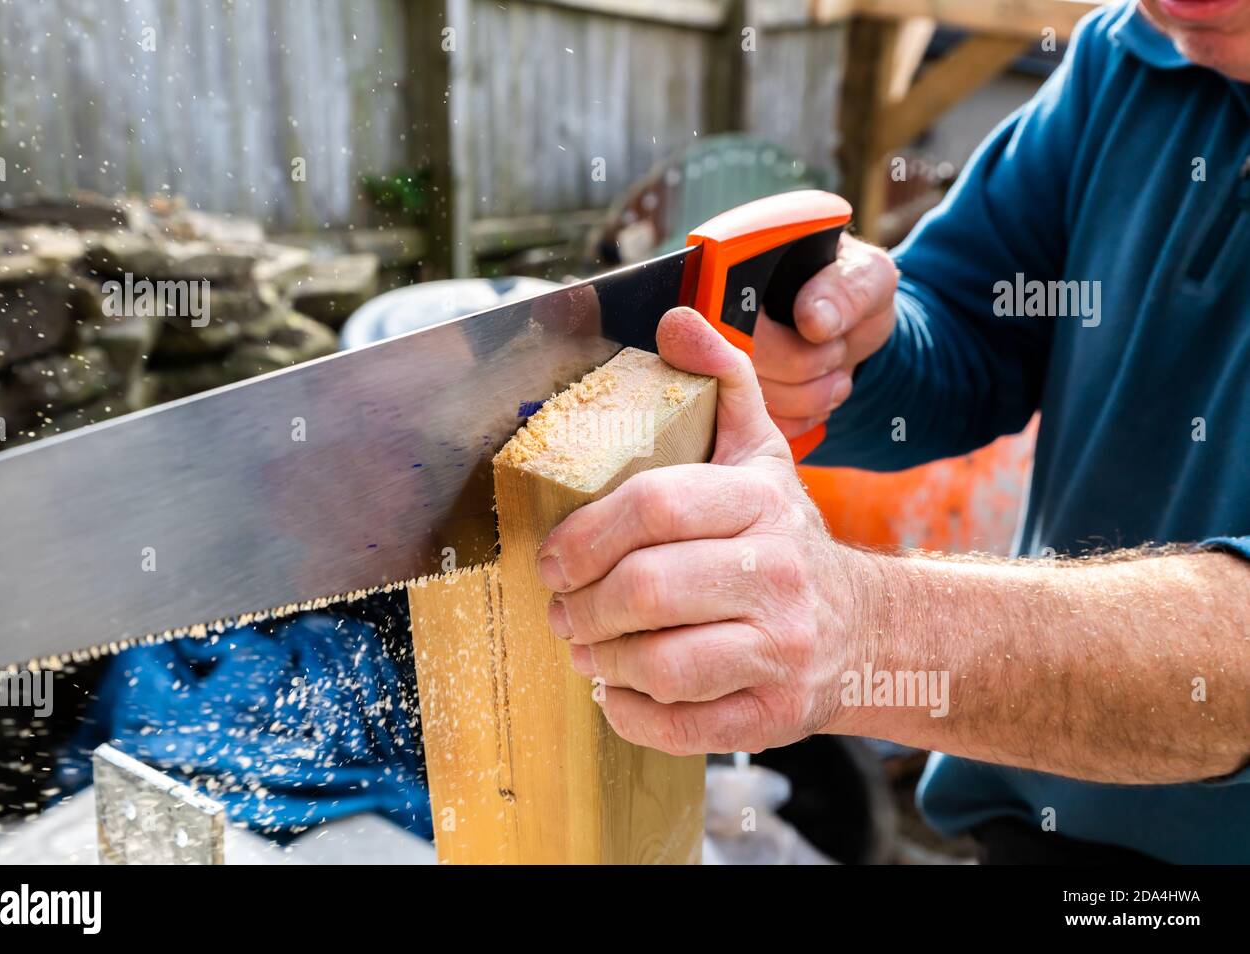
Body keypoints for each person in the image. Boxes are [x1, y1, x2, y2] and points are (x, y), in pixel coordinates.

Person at [533, 0, 1250, 864]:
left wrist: (866, 630)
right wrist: (848, 353)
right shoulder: (1126, 54)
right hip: (1038, 830)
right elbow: (970, 323)